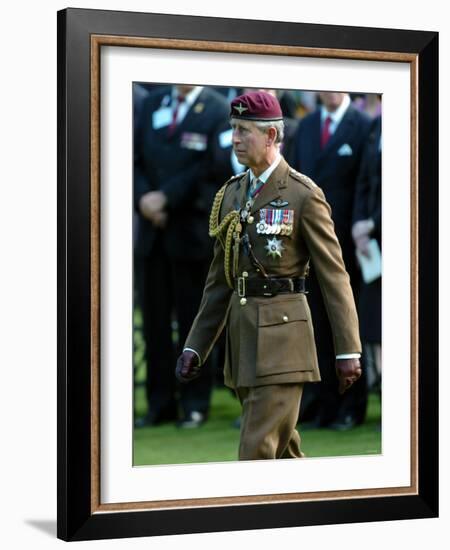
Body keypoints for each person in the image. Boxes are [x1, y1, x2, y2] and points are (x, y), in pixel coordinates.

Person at [175, 91, 362, 460]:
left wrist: (348, 349)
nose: (235, 139)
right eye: (233, 129)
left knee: (256, 452)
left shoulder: (303, 194)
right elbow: (220, 281)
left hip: (284, 346)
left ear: (271, 136)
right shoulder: (231, 194)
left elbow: (334, 276)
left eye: (244, 130)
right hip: (243, 346)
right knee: (282, 455)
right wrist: (195, 345)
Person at [134, 84, 229, 428]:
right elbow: (133, 158)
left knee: (194, 324)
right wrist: (144, 198)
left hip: (190, 233)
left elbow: (213, 169)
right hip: (151, 233)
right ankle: (159, 404)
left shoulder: (217, 108)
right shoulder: (152, 103)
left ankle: (194, 403)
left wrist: (167, 198)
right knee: (155, 324)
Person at [290, 91, 372, 430]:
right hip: (307, 246)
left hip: (346, 246)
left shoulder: (364, 126)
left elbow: (365, 185)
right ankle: (323, 406)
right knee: (316, 326)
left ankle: (351, 406)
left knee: (347, 325)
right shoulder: (307, 126)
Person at [352, 115, 382, 396]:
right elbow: (363, 180)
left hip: (397, 236)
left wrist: (373, 221)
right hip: (371, 245)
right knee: (373, 322)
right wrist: (359, 224)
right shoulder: (376, 126)